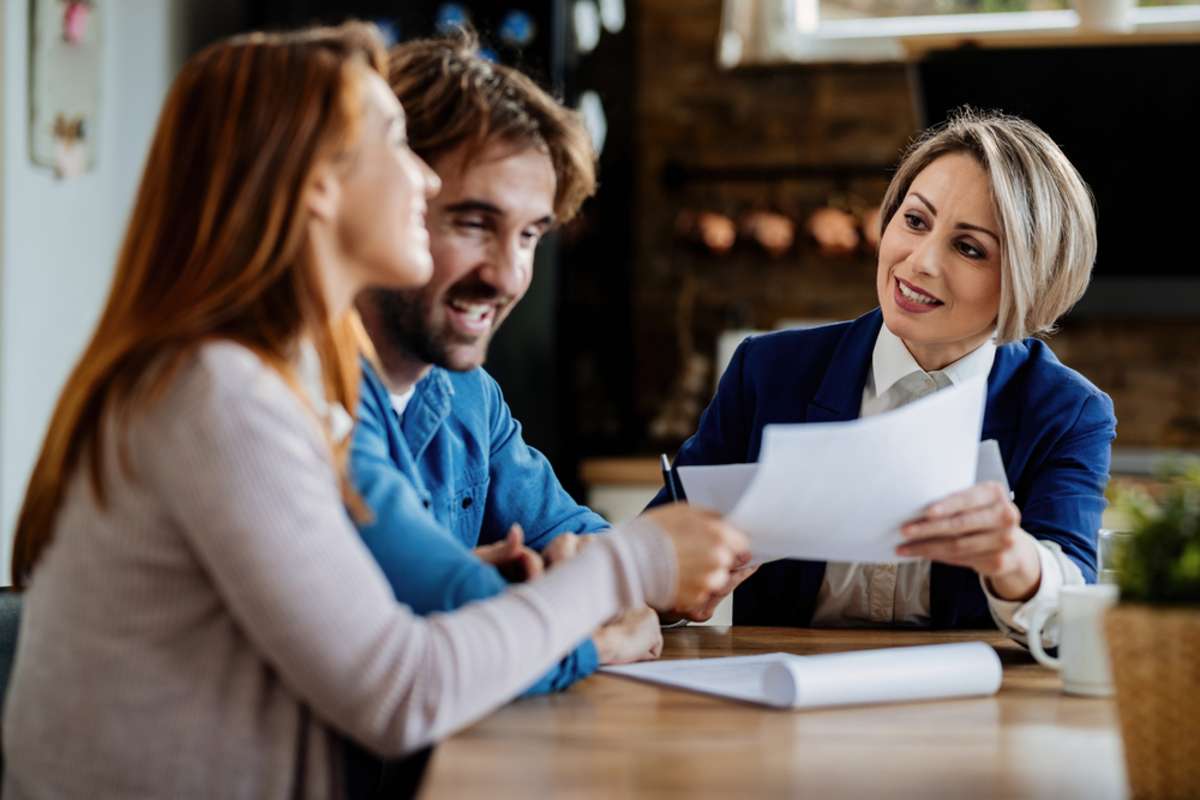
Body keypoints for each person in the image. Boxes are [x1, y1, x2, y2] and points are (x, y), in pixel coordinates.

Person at [2, 24, 747, 799]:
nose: (421, 181)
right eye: (394, 142)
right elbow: (403, 688)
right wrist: (630, 568)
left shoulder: (252, 381)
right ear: (319, 181)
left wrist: (522, 594)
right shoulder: (225, 395)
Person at [651, 109, 1115, 646]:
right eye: (915, 221)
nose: (919, 261)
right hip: (784, 699)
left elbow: (1072, 605)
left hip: (967, 708)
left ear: (1030, 279)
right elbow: (646, 565)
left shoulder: (1066, 411)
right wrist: (674, 587)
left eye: (969, 248)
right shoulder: (769, 371)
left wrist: (1014, 560)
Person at [350, 31, 657, 693]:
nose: (508, 275)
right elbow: (419, 650)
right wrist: (593, 624)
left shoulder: (469, 393)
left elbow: (572, 533)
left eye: (529, 235)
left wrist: (591, 570)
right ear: (384, 203)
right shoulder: (310, 396)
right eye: (471, 223)